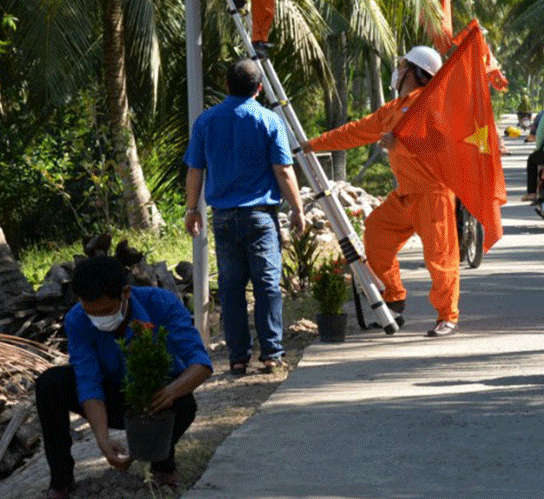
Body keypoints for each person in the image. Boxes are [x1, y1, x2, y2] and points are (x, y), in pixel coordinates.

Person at [300, 46, 462, 337]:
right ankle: (394, 297)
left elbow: (441, 144)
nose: (398, 70)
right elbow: (355, 131)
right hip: (405, 194)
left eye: (402, 65)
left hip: (433, 194)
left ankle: (446, 315)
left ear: (416, 71)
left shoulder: (430, 104)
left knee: (440, 259)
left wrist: (401, 144)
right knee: (376, 231)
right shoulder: (393, 109)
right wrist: (313, 144)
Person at [34, 256, 212, 498]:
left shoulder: (160, 303)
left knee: (184, 403)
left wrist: (171, 392)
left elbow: (200, 364)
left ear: (126, 293)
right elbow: (88, 381)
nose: (99, 318)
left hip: (157, 398)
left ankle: (162, 466)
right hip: (111, 400)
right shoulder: (76, 320)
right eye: (91, 312)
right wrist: (102, 439)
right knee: (50, 383)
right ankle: (61, 481)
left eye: (106, 311)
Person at [184, 58, 306, 376]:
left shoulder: (205, 122)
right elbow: (283, 169)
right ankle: (271, 354)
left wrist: (191, 210)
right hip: (260, 217)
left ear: (226, 86)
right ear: (260, 88)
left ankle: (238, 357)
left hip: (223, 217)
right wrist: (297, 208)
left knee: (231, 287)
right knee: (267, 285)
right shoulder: (269, 120)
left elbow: (195, 169)